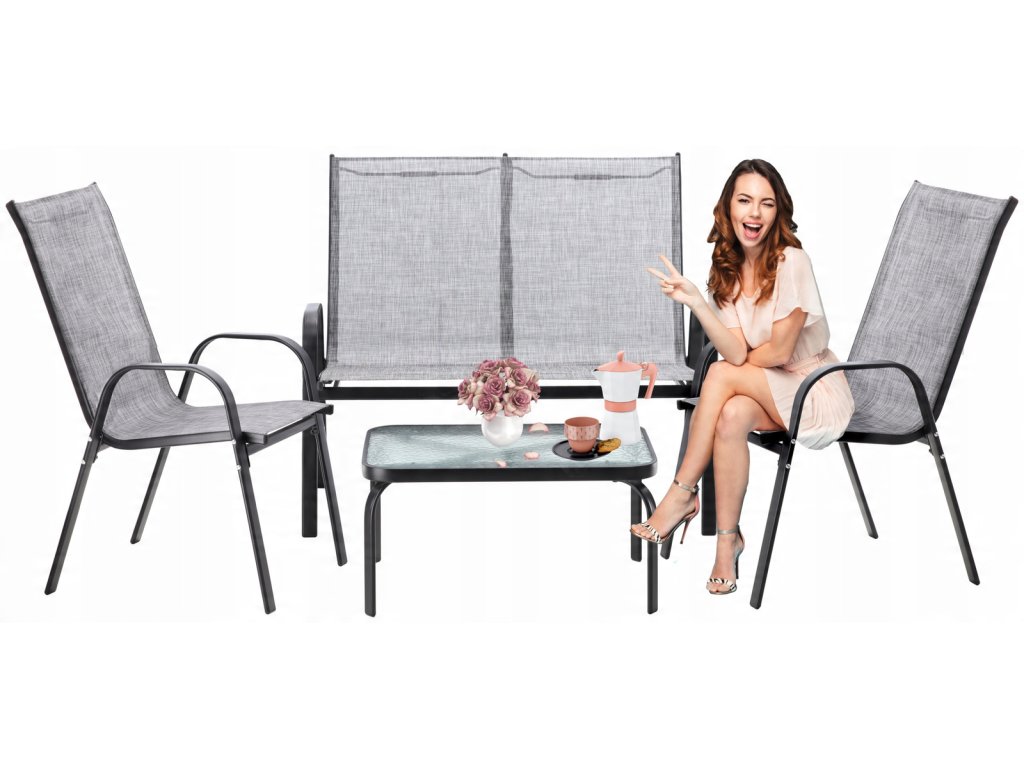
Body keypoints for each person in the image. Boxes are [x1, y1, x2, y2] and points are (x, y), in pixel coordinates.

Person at [631, 159, 854, 595]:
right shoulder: (727, 271)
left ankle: (681, 493)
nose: (754, 213)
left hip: (813, 391)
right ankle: (727, 544)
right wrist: (697, 302)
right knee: (731, 415)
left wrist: (740, 362)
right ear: (728, 208)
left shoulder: (793, 261)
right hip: (766, 389)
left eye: (766, 204)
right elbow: (736, 353)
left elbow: (781, 352)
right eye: (745, 201)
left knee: (719, 375)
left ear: (778, 212)